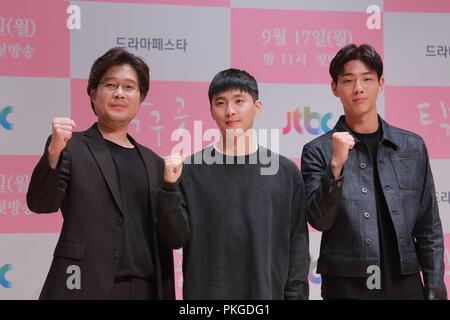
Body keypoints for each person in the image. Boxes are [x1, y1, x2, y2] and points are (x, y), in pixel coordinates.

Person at [301, 43, 447, 300]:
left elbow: (429, 228)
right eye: (348, 80)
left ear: (381, 83)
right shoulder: (318, 151)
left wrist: (435, 290)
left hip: (406, 284)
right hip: (346, 286)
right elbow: (319, 221)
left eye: (367, 79)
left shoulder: (411, 147)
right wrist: (335, 167)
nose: (358, 88)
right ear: (335, 88)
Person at [26, 47, 174, 300]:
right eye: (110, 85)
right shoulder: (70, 147)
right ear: (93, 93)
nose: (119, 93)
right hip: (85, 285)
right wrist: (53, 153)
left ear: (141, 97)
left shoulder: (155, 163)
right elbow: (41, 203)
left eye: (129, 87)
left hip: (146, 288)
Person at [157, 68, 309, 299]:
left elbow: (297, 246)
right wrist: (169, 188)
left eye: (239, 101)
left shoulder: (285, 172)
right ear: (211, 111)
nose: (230, 111)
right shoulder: (190, 171)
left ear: (257, 107)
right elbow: (174, 239)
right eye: (221, 103)